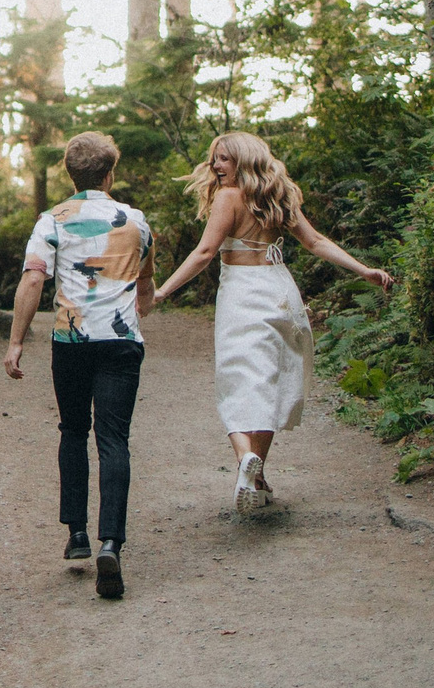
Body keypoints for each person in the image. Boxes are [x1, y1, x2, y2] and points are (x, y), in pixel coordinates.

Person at [150, 130, 394, 515]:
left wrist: (163, 291)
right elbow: (316, 242)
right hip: (280, 291)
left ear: (244, 160)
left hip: (243, 294)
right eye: (215, 158)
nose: (216, 166)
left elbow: (205, 253)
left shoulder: (228, 198)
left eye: (225, 159)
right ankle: (258, 476)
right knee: (269, 380)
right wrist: (362, 270)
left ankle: (245, 457)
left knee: (237, 378)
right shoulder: (278, 196)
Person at [3, 130, 153, 600]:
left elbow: (33, 280)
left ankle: (78, 535)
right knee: (114, 438)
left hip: (70, 340)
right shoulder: (136, 221)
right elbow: (147, 285)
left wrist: (15, 342)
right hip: (121, 341)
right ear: (110, 174)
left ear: (70, 175)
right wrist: (133, 311)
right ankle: (112, 541)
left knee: (73, 430)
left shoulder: (52, 219)